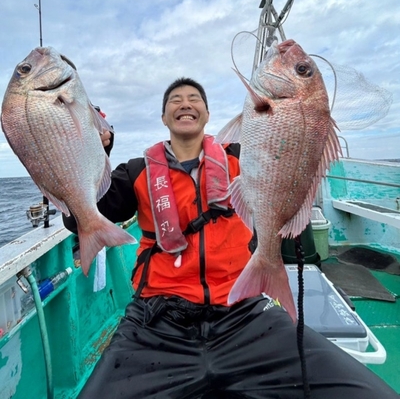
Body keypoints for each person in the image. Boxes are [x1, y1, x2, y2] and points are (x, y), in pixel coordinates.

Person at [64, 77, 398, 399]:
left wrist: (303, 110)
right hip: (156, 322)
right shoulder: (135, 171)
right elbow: (83, 214)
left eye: (195, 98)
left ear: (207, 115)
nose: (185, 104)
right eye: (175, 100)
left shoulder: (244, 157)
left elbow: (292, 151)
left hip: (245, 314)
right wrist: (85, 150)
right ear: (164, 117)